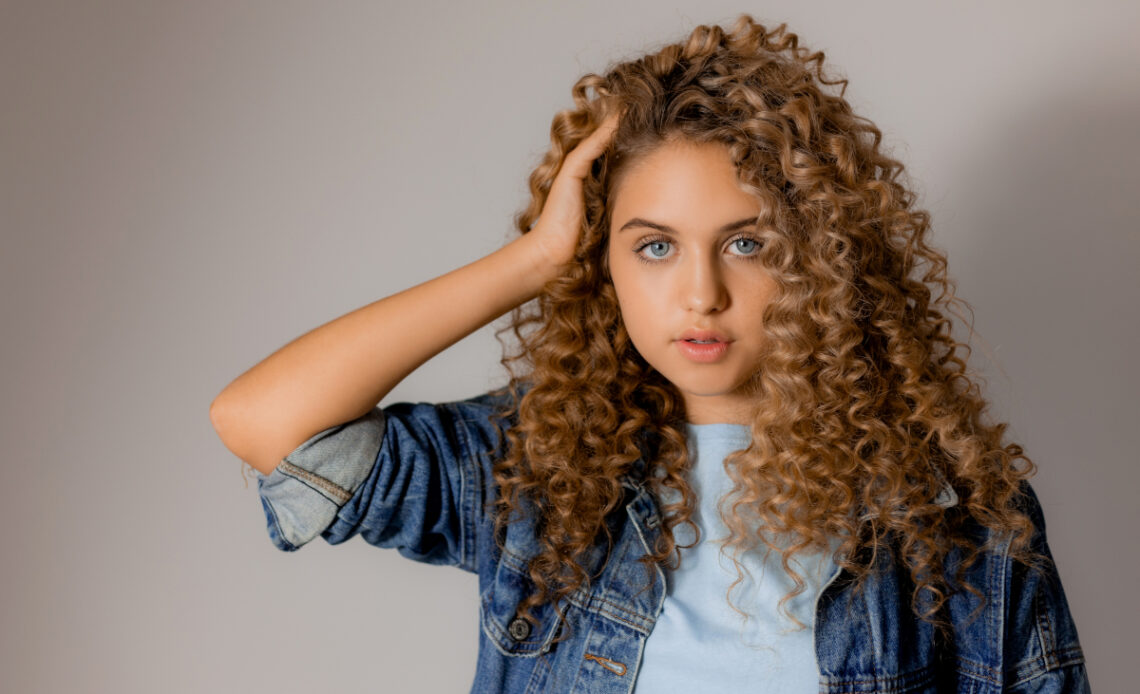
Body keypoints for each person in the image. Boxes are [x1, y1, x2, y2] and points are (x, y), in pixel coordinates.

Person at [209, 15, 1089, 693]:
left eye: (747, 244)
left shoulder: (957, 519)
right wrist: (534, 261)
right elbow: (262, 421)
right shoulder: (541, 470)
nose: (700, 294)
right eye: (655, 247)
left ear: (817, 258)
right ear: (605, 262)